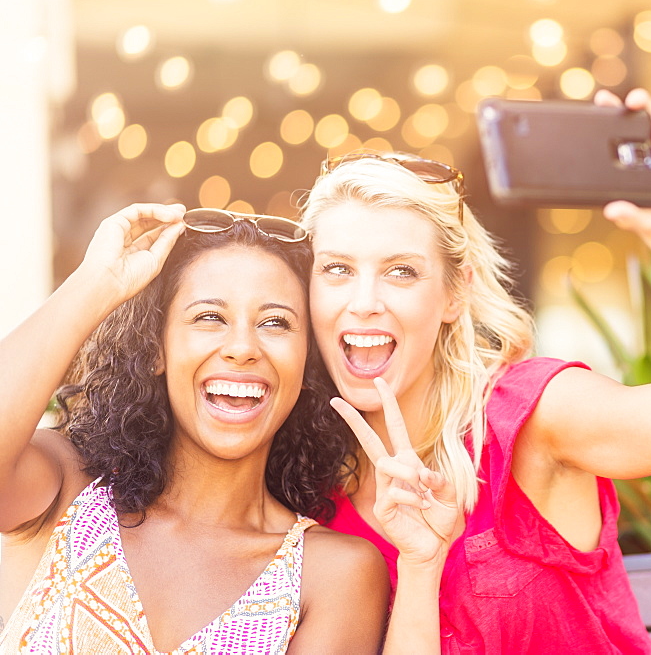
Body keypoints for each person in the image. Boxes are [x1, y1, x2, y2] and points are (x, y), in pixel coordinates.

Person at [299, 88, 651, 653]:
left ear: (454, 296)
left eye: (401, 272)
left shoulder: (528, 415)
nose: (364, 301)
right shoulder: (307, 480)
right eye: (337, 269)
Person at [0, 205, 445, 653]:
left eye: (275, 323)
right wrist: (96, 286)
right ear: (157, 349)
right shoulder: (69, 489)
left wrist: (423, 563)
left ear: (305, 364)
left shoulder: (330, 572)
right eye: (209, 317)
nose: (242, 348)